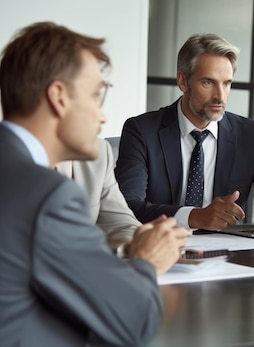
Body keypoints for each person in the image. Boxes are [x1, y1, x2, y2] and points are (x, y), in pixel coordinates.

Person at [0, 22, 189, 346]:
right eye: (96, 94)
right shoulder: (49, 194)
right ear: (58, 97)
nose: (103, 117)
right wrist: (147, 262)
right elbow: (134, 319)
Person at [115, 33, 254, 231]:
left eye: (226, 83)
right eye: (208, 82)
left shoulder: (249, 134)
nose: (220, 96)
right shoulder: (142, 131)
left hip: (229, 252)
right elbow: (127, 205)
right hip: (161, 247)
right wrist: (194, 216)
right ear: (183, 81)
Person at [55, 138, 141, 253]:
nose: (103, 119)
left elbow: (122, 223)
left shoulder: (98, 150)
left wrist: (136, 245)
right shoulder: (25, 158)